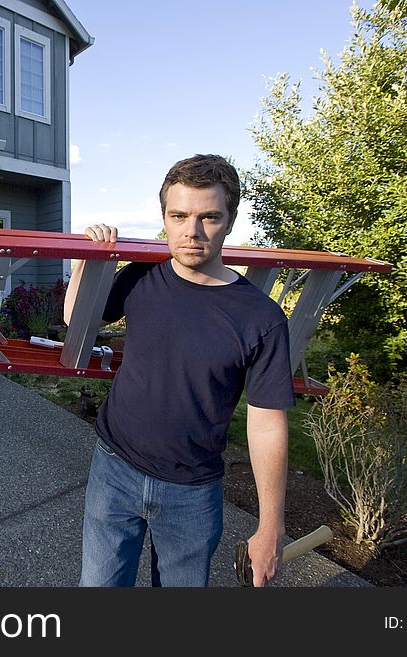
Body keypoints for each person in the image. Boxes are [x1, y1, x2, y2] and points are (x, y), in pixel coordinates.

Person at [64, 154, 294, 587]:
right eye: (179, 215)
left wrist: (270, 527)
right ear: (164, 217)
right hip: (114, 468)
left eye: (208, 216)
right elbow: (77, 319)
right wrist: (86, 261)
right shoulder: (140, 276)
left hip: (191, 493)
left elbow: (266, 424)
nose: (191, 231)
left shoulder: (261, 319)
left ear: (229, 220)